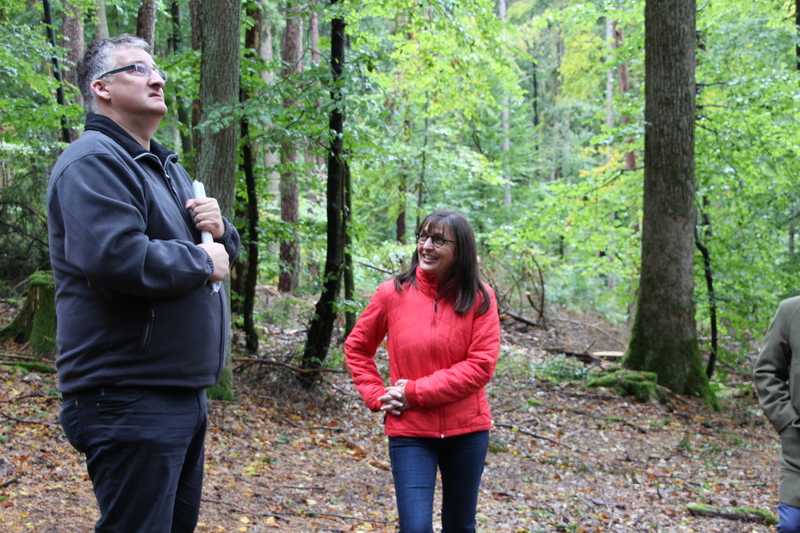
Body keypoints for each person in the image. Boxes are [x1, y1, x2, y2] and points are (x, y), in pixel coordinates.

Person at [46, 34, 239, 533]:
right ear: (101, 88)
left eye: (158, 71)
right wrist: (202, 260)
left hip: (176, 393)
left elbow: (213, 254)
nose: (156, 78)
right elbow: (117, 258)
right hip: (127, 394)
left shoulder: (164, 168)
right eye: (137, 69)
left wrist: (222, 234)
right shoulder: (93, 161)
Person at [345, 209, 500, 533]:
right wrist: (377, 394)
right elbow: (357, 348)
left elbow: (480, 366)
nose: (426, 246)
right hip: (411, 433)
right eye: (423, 237)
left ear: (460, 249)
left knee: (460, 526)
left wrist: (413, 393)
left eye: (438, 240)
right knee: (415, 528)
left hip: (467, 432)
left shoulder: (480, 297)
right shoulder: (392, 293)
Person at [754, 296, 800, 533]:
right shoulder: (792, 310)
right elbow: (767, 371)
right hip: (798, 456)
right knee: (792, 526)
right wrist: (788, 424)